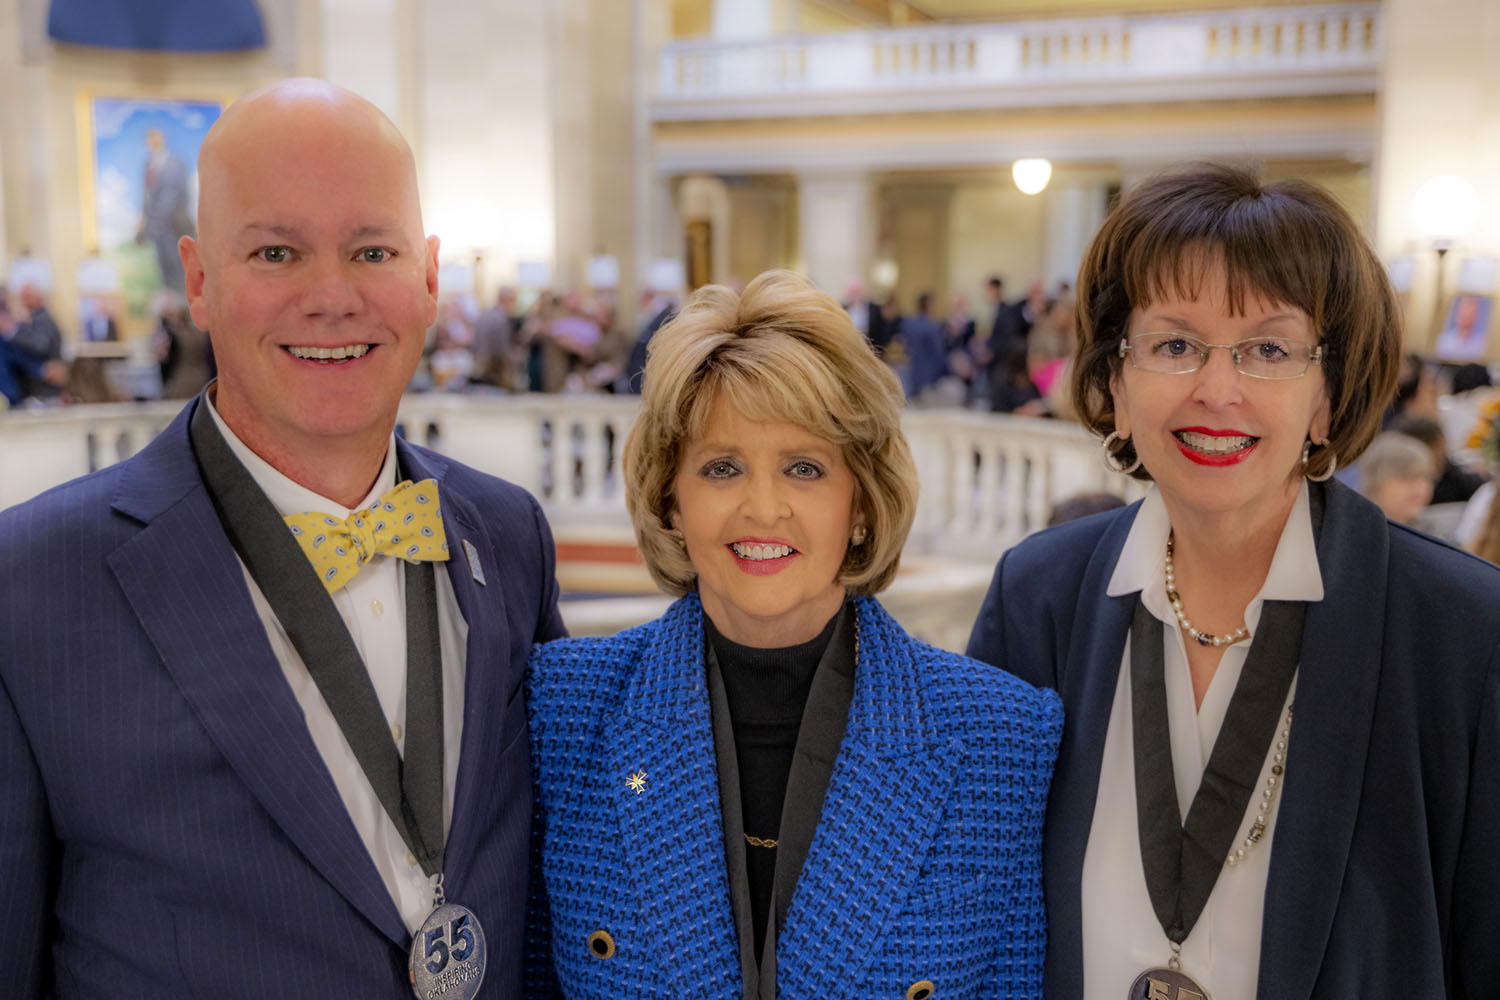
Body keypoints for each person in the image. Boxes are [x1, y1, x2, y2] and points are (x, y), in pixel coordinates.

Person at [0, 78, 565, 998]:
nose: (332, 296)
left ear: (427, 276)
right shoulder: (27, 588)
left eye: (370, 249)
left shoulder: (508, 536)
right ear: (198, 281)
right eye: (276, 252)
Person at [966, 163, 1500, 1000]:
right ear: (1115, 379)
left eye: (1269, 350)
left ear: (1327, 396)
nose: (1218, 390)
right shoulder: (1038, 599)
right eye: (1175, 344)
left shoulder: (1464, 634)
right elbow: (974, 915)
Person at [525, 270, 1061, 998]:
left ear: (862, 503)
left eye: (804, 468)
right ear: (671, 498)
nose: (764, 508)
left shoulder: (1003, 737)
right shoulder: (564, 711)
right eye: (722, 467)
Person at [137, 126, 196, 293]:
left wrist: (155, 220)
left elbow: (171, 196)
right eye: (148, 140)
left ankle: (184, 309)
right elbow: (147, 196)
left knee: (179, 266)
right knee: (164, 268)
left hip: (175, 225)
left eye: (154, 138)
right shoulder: (148, 166)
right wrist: (144, 221)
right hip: (158, 229)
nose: (151, 143)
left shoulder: (176, 163)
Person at [1357, 430, 1436, 524]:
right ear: (1375, 481)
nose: (1421, 489)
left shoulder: (1432, 531)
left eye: (1426, 478)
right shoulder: (1351, 530)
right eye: (1406, 478)